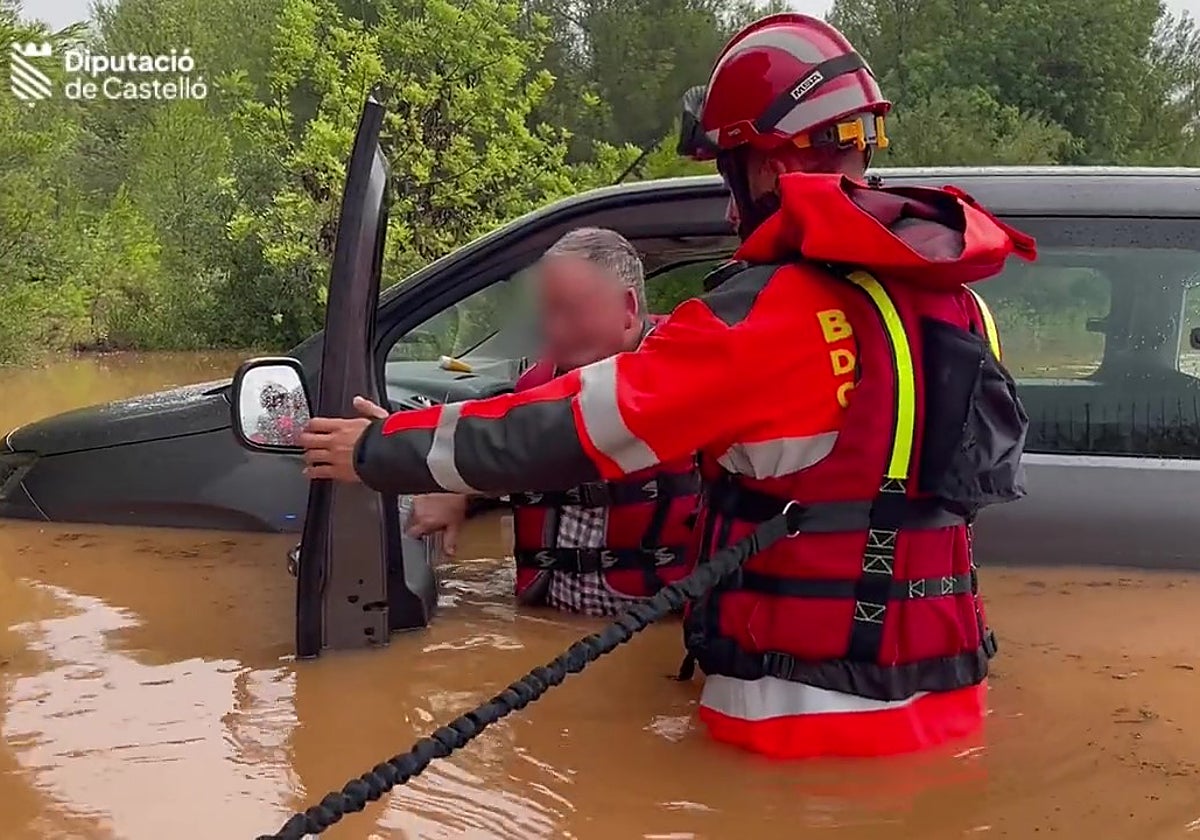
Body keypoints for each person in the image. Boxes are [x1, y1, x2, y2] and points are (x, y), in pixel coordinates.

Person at [296, 13, 1036, 759]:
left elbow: (565, 430)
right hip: (945, 707)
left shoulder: (763, 319)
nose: (727, 202)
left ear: (767, 171)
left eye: (729, 171)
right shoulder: (958, 305)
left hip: (796, 717)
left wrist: (378, 448)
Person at [405, 228, 702, 615]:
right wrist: (461, 489)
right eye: (547, 311)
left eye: (570, 311)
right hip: (544, 620)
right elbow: (510, 448)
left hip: (658, 629)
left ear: (629, 310)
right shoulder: (535, 387)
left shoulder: (698, 381)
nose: (553, 330)